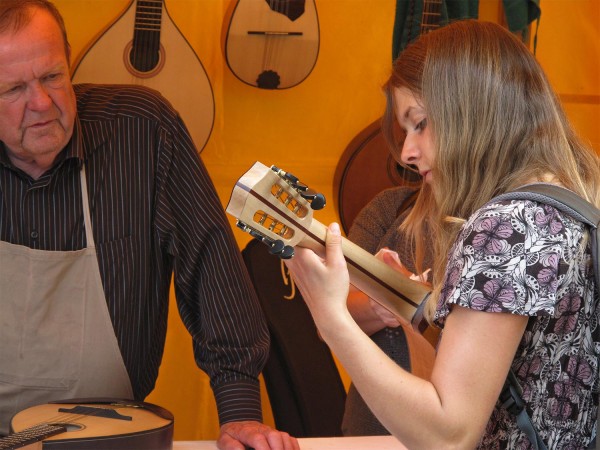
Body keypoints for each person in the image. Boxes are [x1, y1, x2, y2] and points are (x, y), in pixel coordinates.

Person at [285, 19, 600, 449]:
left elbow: (448, 437)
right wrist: (406, 315)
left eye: (421, 123)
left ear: (471, 110)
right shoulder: (567, 204)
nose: (408, 152)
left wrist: (330, 315)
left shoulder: (505, 229)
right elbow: (468, 398)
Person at [0, 2, 298, 449]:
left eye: (52, 77)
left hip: (113, 436)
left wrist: (238, 412)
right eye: (13, 89)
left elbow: (211, 263)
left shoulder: (142, 131)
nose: (41, 103)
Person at [342, 184, 437, 436]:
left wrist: (413, 298)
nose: (407, 153)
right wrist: (382, 304)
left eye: (423, 140)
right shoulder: (391, 206)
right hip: (372, 422)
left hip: (454, 424)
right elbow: (336, 313)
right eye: (406, 141)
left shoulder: (504, 217)